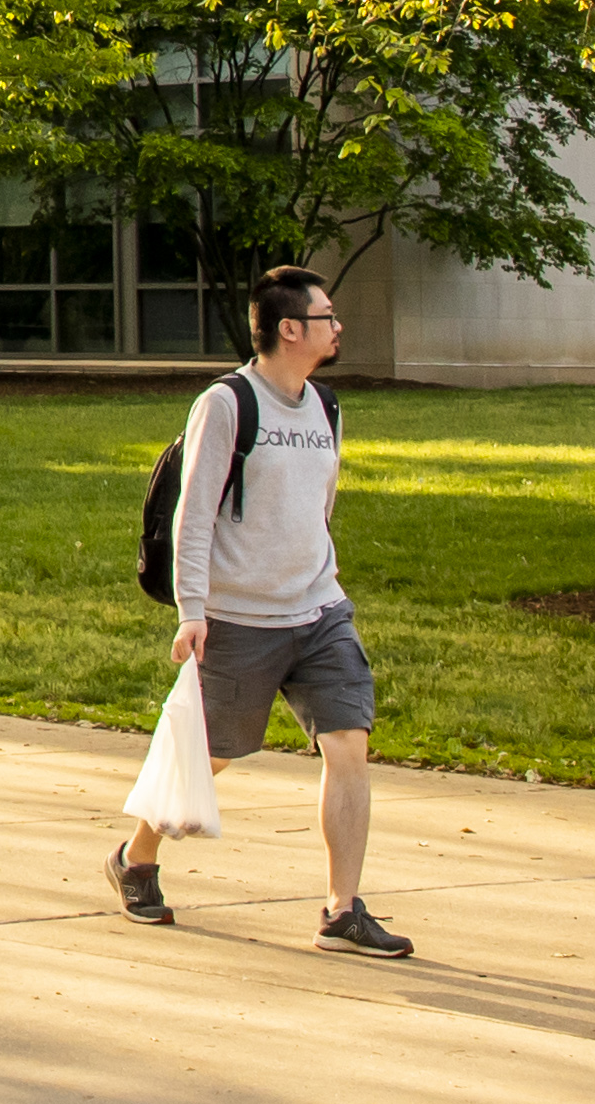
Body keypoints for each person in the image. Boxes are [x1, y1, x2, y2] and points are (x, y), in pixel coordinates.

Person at [111, 263, 408, 956]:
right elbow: (193, 515)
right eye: (326, 316)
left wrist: (315, 574)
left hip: (319, 609)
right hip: (240, 617)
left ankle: (341, 910)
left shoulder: (325, 405)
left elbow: (319, 505)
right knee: (205, 756)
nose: (337, 326)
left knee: (348, 744)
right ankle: (135, 858)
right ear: (289, 327)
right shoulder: (227, 403)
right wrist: (193, 608)